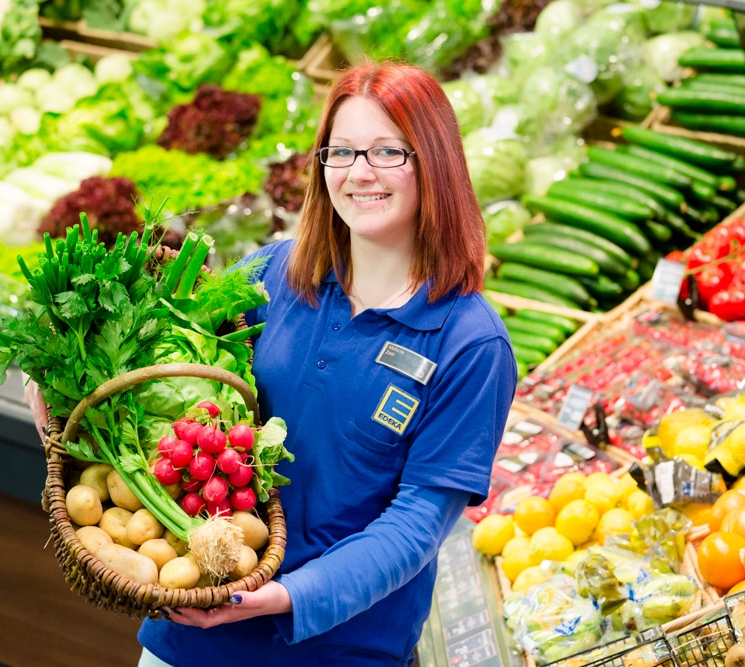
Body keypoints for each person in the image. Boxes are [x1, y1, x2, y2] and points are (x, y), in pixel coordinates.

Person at [137, 60, 517, 666]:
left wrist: (285, 597)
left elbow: (416, 525)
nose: (360, 173)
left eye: (387, 152)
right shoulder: (272, 275)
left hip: (338, 650)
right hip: (188, 636)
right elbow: (165, 367)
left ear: (434, 164)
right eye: (340, 152)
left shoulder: (470, 344)